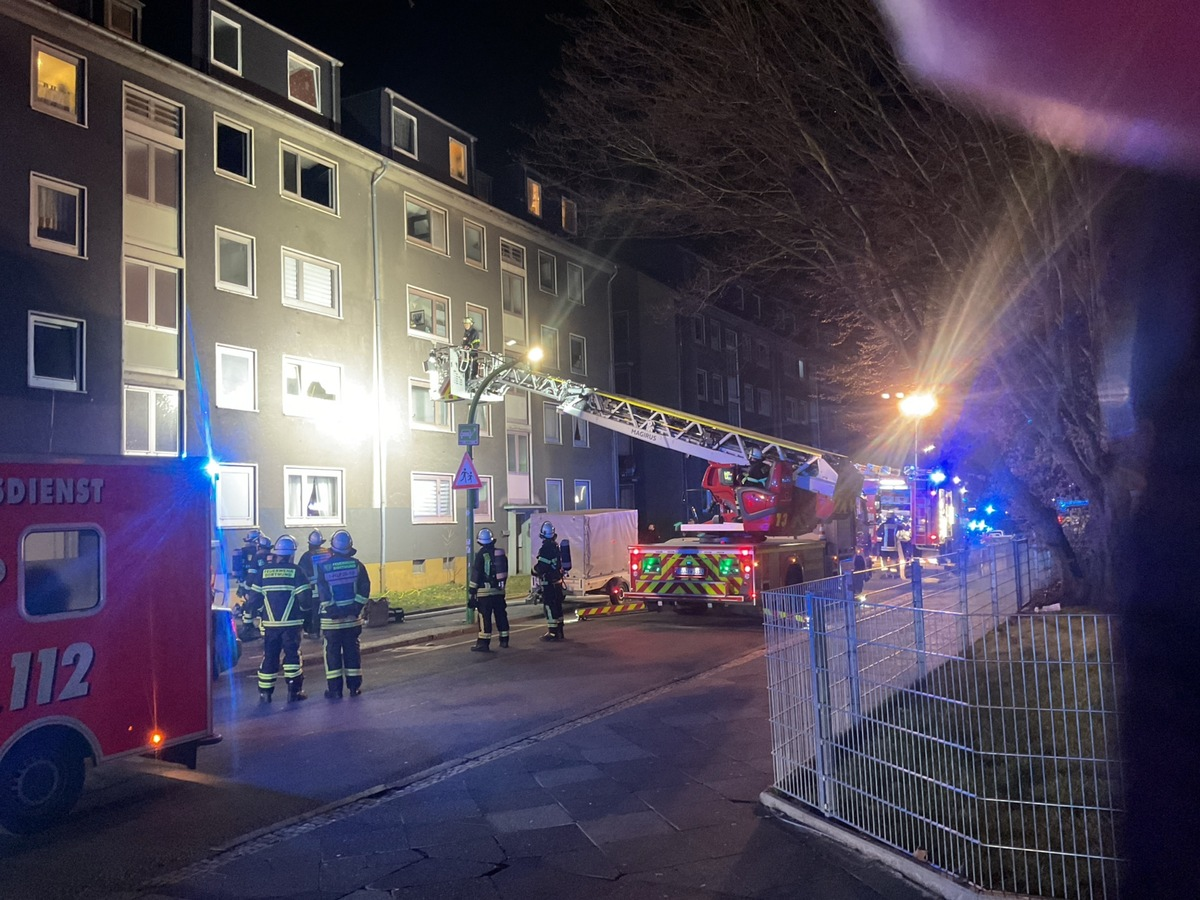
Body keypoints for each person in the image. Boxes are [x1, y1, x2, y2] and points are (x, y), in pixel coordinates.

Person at [246, 535, 311, 703]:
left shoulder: (263, 572)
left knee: (270, 656)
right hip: (292, 624)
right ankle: (294, 692)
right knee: (292, 657)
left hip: (270, 625)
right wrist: (306, 614)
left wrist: (256, 614)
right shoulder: (297, 571)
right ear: (292, 554)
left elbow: (253, 599)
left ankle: (265, 693)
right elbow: (305, 599)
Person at [314, 529, 371, 698]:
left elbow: (323, 592)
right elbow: (364, 590)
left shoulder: (323, 567)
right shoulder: (357, 565)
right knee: (352, 652)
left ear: (332, 546)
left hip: (331, 621)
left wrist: (333, 610)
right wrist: (354, 608)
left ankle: (335, 690)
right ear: (350, 546)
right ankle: (354, 688)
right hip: (352, 620)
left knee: (332, 654)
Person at [468, 528, 509, 651]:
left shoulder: (481, 555)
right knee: (501, 615)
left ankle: (483, 643)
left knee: (484, 617)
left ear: (480, 541)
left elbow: (476, 573)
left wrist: (472, 591)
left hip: (484, 593)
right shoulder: (500, 554)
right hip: (499, 591)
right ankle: (504, 640)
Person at [532, 520, 566, 642]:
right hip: (557, 581)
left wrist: (534, 570)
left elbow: (542, 567)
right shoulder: (556, 546)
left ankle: (552, 632)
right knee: (557, 606)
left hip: (549, 583)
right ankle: (560, 631)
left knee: (549, 606)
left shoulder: (545, 549)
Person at [296, 529, 331, 639]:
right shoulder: (328, 553)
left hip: (313, 589)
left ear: (310, 544)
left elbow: (301, 574)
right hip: (328, 588)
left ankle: (314, 632)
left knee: (314, 611)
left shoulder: (307, 556)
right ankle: (326, 631)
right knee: (326, 609)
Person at [461, 315, 481, 380]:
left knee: (473, 367)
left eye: (467, 324)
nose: (465, 326)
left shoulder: (474, 332)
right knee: (466, 368)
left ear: (470, 324)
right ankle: (466, 378)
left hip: (473, 354)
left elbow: (476, 343)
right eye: (465, 324)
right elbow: (464, 342)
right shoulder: (466, 333)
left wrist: (469, 346)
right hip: (466, 354)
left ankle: (473, 377)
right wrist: (463, 347)